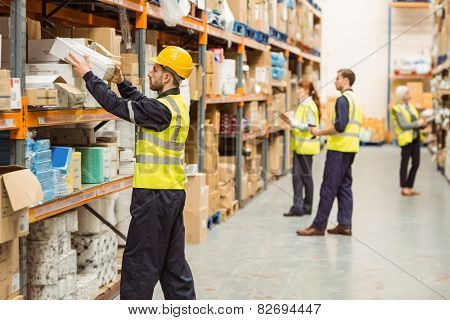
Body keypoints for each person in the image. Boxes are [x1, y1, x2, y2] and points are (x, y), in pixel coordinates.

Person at [66, 46, 196, 300]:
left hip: (154, 198)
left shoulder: (162, 110)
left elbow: (116, 105)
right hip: (171, 194)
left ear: (167, 77)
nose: (150, 73)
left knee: (139, 268)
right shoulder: (174, 104)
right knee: (173, 267)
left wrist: (88, 75)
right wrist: (122, 82)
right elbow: (141, 103)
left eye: (155, 69)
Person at [297, 69, 363, 236]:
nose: (334, 81)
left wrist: (319, 133)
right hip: (350, 149)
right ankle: (345, 225)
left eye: (337, 78)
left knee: (328, 188)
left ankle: (318, 226)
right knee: (344, 187)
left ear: (345, 81)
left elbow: (340, 126)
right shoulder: (355, 99)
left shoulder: (342, 100)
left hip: (338, 150)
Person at [281, 79, 321, 217]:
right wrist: (291, 119)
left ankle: (307, 207)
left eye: (301, 88)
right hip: (299, 147)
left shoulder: (309, 105)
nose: (297, 90)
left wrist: (293, 122)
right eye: (297, 88)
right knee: (297, 178)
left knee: (305, 177)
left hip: (306, 147)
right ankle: (298, 207)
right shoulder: (302, 105)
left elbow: (309, 125)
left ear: (308, 91)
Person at [391, 86, 426, 196]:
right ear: (402, 95)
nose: (409, 94)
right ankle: (404, 187)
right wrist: (418, 123)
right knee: (405, 163)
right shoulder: (397, 109)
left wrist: (422, 124)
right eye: (407, 92)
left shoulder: (410, 107)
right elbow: (404, 125)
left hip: (415, 138)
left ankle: (409, 186)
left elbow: (415, 120)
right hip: (406, 140)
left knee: (416, 163)